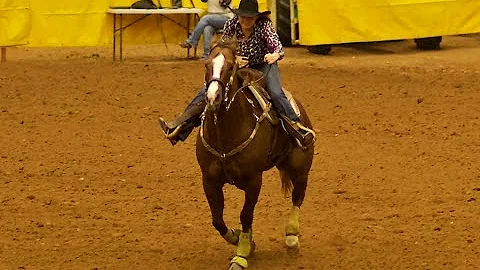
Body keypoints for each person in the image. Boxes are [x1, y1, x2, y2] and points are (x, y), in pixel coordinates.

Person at [159, 0, 315, 147]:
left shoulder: (265, 26)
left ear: (256, 17)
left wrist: (274, 55)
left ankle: (297, 127)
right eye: (243, 17)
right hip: (239, 64)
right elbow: (223, 47)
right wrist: (233, 58)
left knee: (275, 93)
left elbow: (278, 48)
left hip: (263, 65)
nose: (245, 21)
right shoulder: (231, 24)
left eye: (249, 18)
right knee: (209, 89)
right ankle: (180, 126)